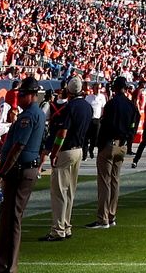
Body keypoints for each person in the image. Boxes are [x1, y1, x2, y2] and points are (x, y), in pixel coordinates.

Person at [0, 76, 47, 273]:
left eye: (22, 94)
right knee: (9, 216)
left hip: (19, 170)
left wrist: (2, 173)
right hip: (25, 168)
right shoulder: (37, 114)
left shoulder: (28, 116)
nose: (19, 98)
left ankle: (9, 265)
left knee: (12, 217)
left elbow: (17, 147)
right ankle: (3, 262)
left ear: (30, 95)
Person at [45, 79, 93, 241]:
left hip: (66, 150)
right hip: (79, 149)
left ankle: (58, 229)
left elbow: (62, 132)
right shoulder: (87, 106)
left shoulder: (70, 107)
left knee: (59, 191)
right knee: (70, 190)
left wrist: (54, 151)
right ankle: (66, 225)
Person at [92, 75, 137, 229]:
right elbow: (134, 124)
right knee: (115, 180)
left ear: (115, 88)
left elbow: (105, 126)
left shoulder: (111, 104)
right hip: (122, 144)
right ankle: (112, 215)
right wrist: (128, 139)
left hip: (110, 143)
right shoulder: (131, 105)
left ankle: (103, 218)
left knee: (104, 182)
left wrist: (100, 144)